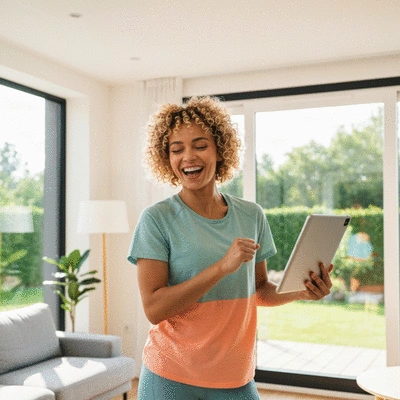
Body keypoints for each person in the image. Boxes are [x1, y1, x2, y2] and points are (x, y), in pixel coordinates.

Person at [127, 96, 333, 400]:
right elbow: (155, 309)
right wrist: (222, 267)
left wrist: (301, 291)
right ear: (166, 158)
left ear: (220, 150)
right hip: (170, 376)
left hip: (235, 377)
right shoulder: (157, 219)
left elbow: (260, 289)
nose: (188, 157)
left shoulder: (251, 215)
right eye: (177, 149)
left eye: (200, 145)